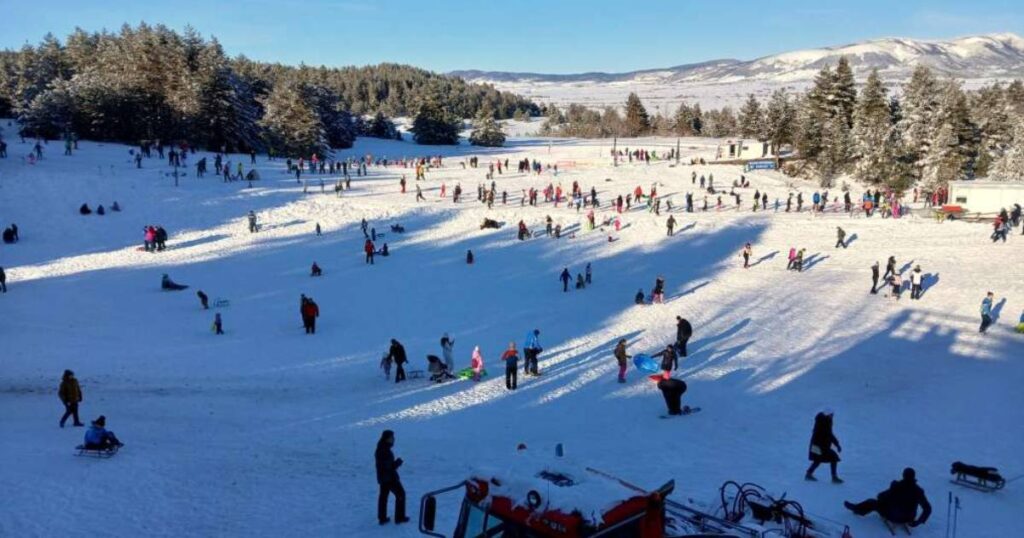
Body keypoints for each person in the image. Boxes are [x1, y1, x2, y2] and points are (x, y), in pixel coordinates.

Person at [845, 468, 931, 528]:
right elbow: (927, 508)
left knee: (872, 502)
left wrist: (880, 496)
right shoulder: (918, 491)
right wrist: (918, 522)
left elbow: (883, 496)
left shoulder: (897, 486)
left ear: (903, 475)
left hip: (893, 516)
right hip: (909, 518)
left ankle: (856, 509)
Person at [374, 430, 408, 525]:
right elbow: (388, 467)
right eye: (391, 437)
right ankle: (399, 518)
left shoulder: (382, 448)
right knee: (401, 494)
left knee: (383, 496)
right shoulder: (383, 450)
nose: (393, 439)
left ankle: (382, 518)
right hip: (389, 478)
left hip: (383, 477)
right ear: (386, 438)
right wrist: (398, 462)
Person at [805, 410, 843, 483]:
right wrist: (837, 445)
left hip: (817, 446)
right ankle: (834, 477)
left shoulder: (822, 422)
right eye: (832, 415)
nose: (832, 417)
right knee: (833, 458)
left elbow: (829, 435)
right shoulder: (825, 423)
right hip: (820, 446)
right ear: (828, 415)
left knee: (818, 460)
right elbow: (829, 435)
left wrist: (837, 444)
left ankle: (808, 474)